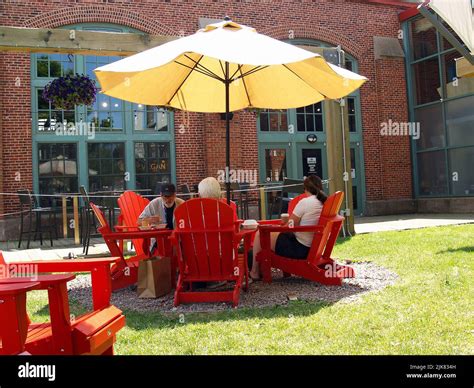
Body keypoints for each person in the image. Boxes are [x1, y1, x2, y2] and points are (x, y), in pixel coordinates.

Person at [249, 175, 327, 281]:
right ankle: (259, 270)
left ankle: (254, 272)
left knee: (260, 233)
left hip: (299, 249)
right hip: (312, 248)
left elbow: (289, 226)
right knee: (271, 234)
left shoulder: (305, 202)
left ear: (305, 188)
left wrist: (276, 227)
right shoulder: (323, 202)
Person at [138, 183, 184, 254]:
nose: (168, 199)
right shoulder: (154, 204)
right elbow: (139, 221)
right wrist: (150, 220)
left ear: (175, 195)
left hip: (178, 240)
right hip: (158, 241)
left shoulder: (181, 204)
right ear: (161, 195)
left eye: (170, 196)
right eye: (165, 196)